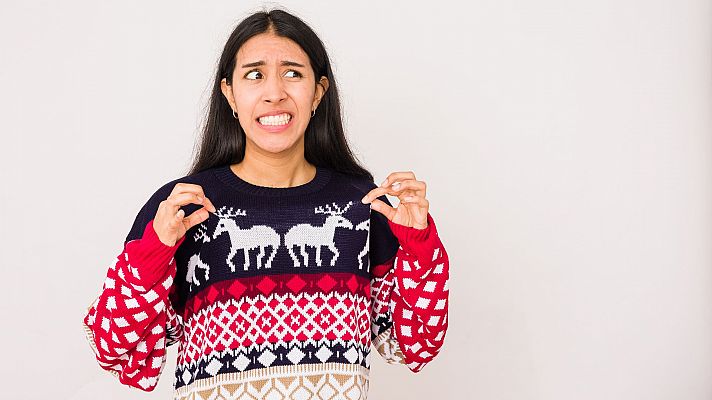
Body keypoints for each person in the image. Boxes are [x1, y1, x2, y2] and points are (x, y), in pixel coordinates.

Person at [82, 7, 450, 400]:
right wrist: (153, 252)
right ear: (230, 94)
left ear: (318, 92)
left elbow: (415, 347)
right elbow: (114, 348)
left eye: (293, 73)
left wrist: (419, 244)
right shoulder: (182, 209)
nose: (275, 92)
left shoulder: (364, 207)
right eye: (254, 75)